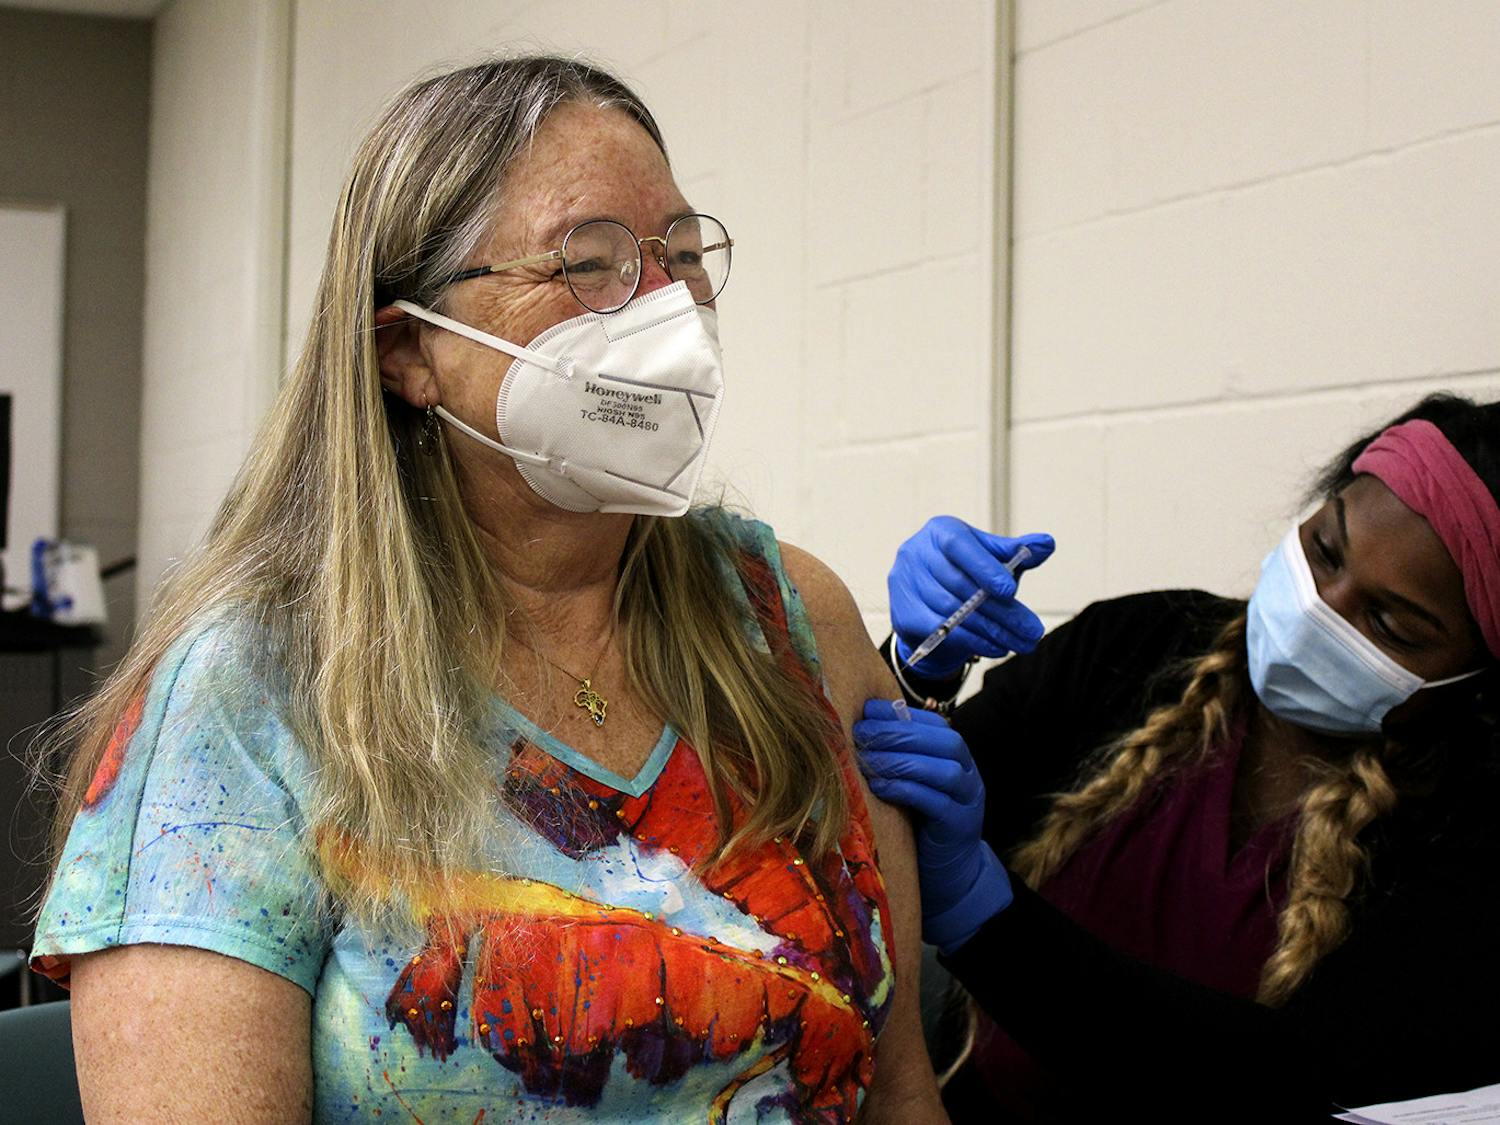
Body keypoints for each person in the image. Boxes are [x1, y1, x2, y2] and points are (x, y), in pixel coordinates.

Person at [30, 57, 945, 1123]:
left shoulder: (789, 621)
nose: (671, 316)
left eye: (684, 258)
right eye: (590, 263)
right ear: (410, 351)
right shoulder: (248, 694)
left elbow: (900, 1090)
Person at [856, 392, 1500, 1121]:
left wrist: (987, 916)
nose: (1322, 605)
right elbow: (880, 819)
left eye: (1387, 621)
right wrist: (919, 671)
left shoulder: (1467, 834)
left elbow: (1269, 1075)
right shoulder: (1138, 645)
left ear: (1474, 677)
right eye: (1324, 549)